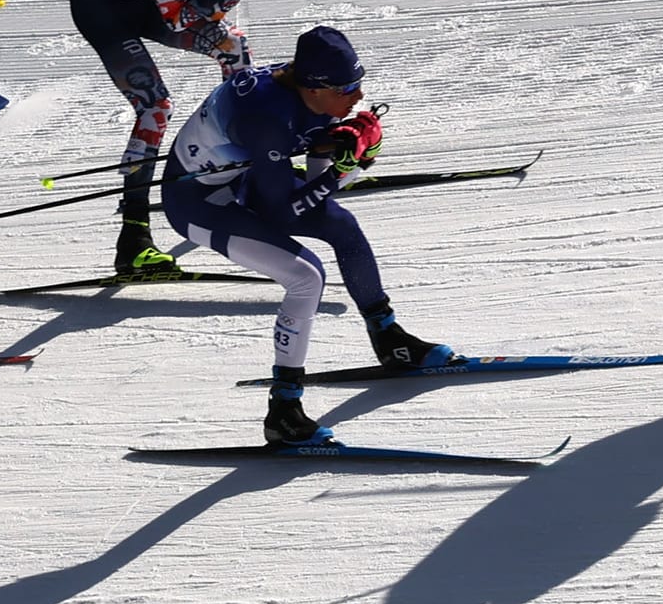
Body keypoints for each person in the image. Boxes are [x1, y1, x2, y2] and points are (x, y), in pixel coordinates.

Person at [160, 26, 460, 445]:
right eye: (348, 89)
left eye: (359, 84)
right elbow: (283, 211)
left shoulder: (308, 93)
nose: (357, 97)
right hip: (199, 203)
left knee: (342, 225)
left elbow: (312, 193)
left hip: (244, 180)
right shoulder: (266, 118)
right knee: (305, 276)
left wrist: (341, 152)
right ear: (315, 87)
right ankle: (283, 410)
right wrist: (346, 167)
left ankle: (391, 340)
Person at [72, 0, 275, 277]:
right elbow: (180, 19)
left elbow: (215, 15)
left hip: (151, 3)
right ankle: (133, 238)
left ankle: (247, 169)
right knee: (155, 106)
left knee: (234, 49)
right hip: (103, 9)